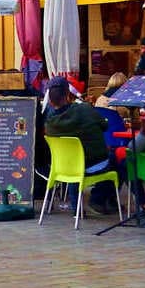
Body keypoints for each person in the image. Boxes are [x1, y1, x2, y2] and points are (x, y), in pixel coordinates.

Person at [43, 76, 118, 216]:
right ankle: (98, 199)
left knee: (75, 160)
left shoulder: (49, 125)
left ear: (51, 102)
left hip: (64, 168)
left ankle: (76, 208)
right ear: (67, 95)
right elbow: (105, 125)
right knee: (118, 161)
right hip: (93, 165)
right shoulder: (84, 109)